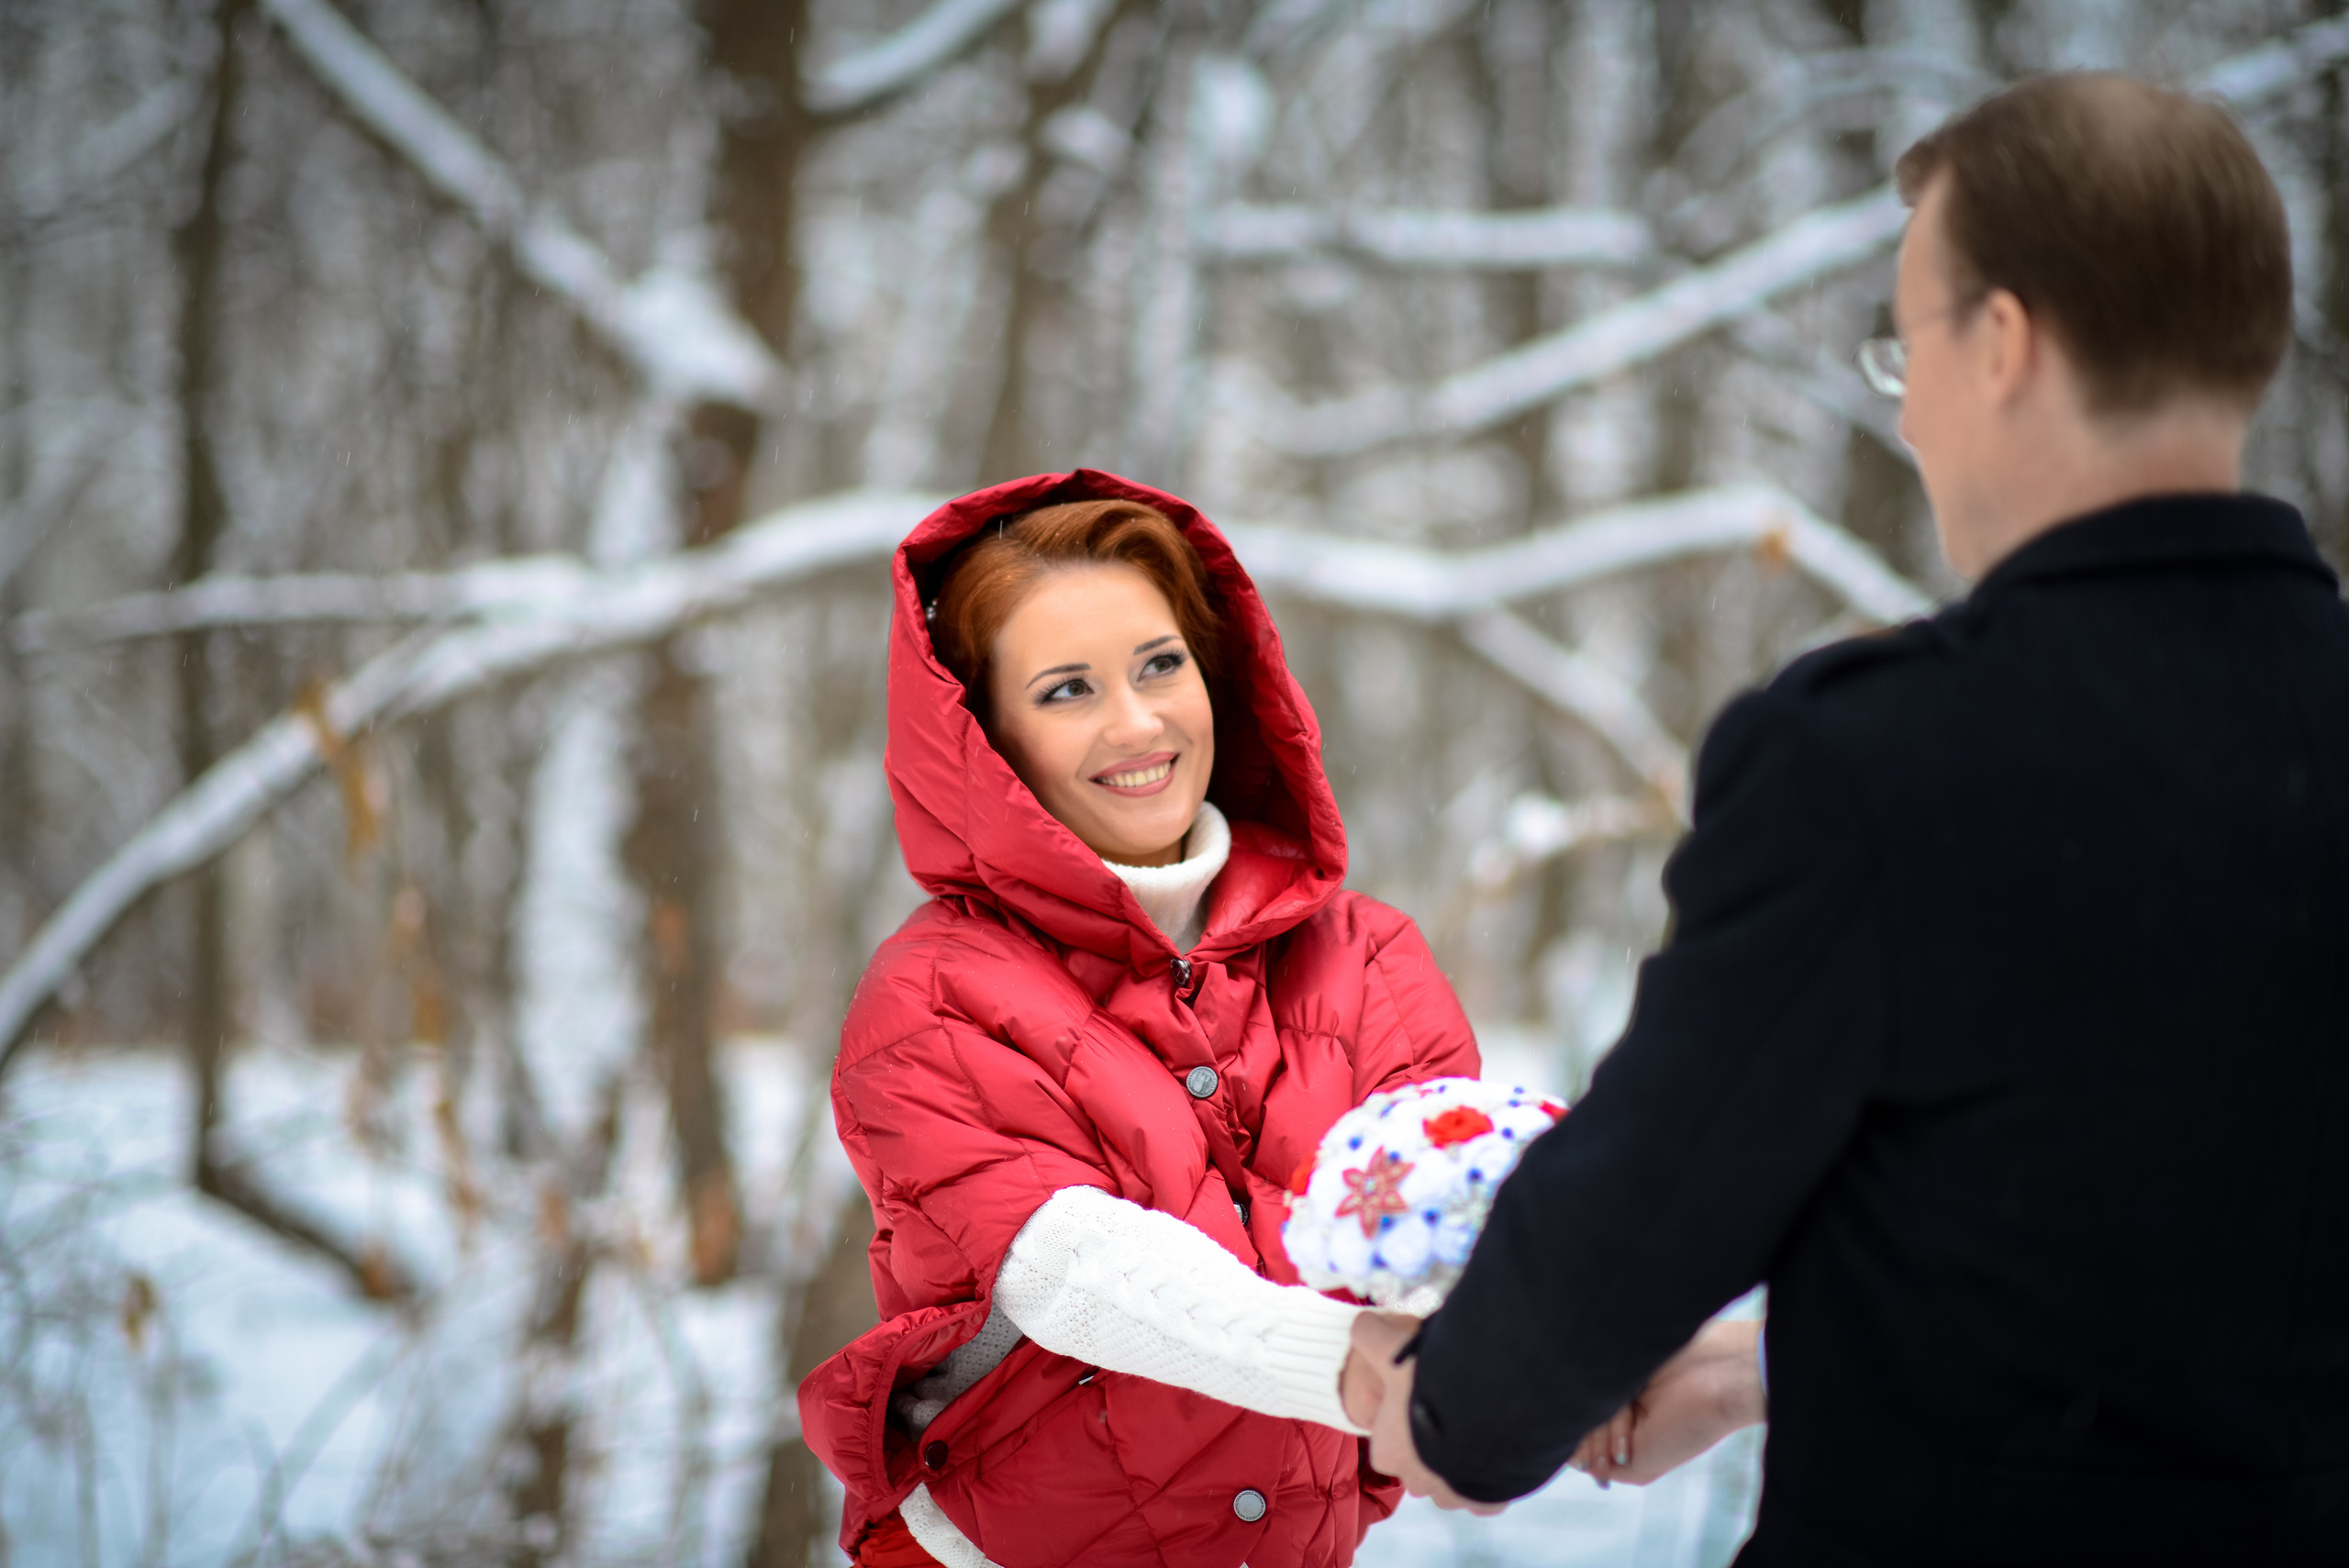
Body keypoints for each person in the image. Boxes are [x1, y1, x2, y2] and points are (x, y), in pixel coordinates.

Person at [1345, 71, 2349, 1565]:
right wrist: (1772, 1369)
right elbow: (2177, 1265)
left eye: (1907, 347)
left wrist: (1445, 1408)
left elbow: (1640, 1213)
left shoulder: (1881, 764)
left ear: (2002, 344)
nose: (1911, 410)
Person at [797, 471, 1481, 1568]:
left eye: (1160, 664)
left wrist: (1531, 1370)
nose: (1136, 720)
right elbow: (1075, 1270)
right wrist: (1362, 1366)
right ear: (986, 737)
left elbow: (1448, 1217)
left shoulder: (1371, 958)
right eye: (1066, 689)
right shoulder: (930, 991)